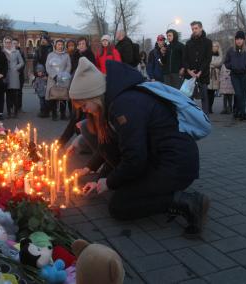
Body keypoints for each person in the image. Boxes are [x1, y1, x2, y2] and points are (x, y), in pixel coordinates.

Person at [69, 57, 209, 238]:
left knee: (120, 205)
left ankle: (187, 202)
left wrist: (109, 182)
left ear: (94, 95)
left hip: (176, 164)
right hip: (159, 158)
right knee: (121, 187)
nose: (84, 110)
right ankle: (161, 192)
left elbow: (135, 158)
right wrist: (96, 175)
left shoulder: (124, 105)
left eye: (84, 105)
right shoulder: (114, 101)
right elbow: (112, 147)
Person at [183, 21, 213, 114]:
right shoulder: (188, 43)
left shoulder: (208, 42)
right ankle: (192, 117)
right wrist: (188, 70)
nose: (194, 30)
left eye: (196, 28)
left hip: (202, 74)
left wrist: (200, 71)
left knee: (204, 97)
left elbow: (208, 59)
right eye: (192, 29)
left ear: (201, 28)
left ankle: (205, 118)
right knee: (189, 98)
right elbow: (185, 58)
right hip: (190, 75)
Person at [224, 31, 246, 121]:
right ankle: (237, 110)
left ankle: (242, 112)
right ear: (235, 40)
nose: (238, 41)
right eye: (237, 39)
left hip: (245, 74)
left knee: (243, 94)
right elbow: (226, 62)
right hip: (234, 74)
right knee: (238, 93)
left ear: (243, 40)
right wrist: (232, 66)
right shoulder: (231, 50)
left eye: (240, 39)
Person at [45, 39, 72, 121]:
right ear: (55, 45)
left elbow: (69, 66)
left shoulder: (66, 55)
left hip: (63, 79)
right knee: (54, 96)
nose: (60, 46)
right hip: (53, 79)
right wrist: (54, 76)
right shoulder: (50, 55)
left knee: (63, 96)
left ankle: (63, 114)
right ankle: (54, 114)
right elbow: (48, 66)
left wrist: (64, 75)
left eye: (61, 44)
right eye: (58, 44)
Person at [3, 37, 24, 118]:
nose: (8, 44)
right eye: (6, 42)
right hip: (6, 75)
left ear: (11, 43)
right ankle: (9, 112)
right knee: (8, 95)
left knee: (15, 95)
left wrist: (16, 67)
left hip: (14, 75)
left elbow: (22, 62)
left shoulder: (16, 52)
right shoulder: (2, 52)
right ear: (4, 43)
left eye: (9, 42)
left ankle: (15, 112)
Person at [207, 41, 223, 114]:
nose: (214, 47)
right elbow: (206, 62)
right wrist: (213, 64)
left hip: (216, 75)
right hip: (208, 74)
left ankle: (210, 107)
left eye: (216, 46)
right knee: (207, 91)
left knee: (212, 93)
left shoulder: (220, 55)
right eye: (213, 46)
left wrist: (211, 64)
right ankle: (206, 107)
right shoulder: (207, 54)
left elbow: (219, 62)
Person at [13, 38, 26, 112]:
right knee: (12, 92)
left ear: (18, 44)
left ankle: (19, 107)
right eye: (13, 43)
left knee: (19, 92)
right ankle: (13, 106)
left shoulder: (21, 52)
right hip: (12, 76)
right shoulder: (9, 52)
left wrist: (18, 71)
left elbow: (23, 64)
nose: (14, 44)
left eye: (16, 43)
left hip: (20, 75)